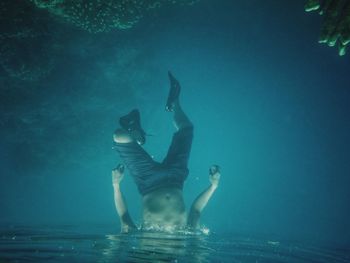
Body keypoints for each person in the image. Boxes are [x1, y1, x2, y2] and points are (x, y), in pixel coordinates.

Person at [111, 71, 221, 233]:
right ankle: (174, 102)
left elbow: (124, 216)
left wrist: (115, 184)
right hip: (176, 178)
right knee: (187, 128)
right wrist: (214, 186)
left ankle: (134, 129)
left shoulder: (140, 242)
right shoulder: (185, 241)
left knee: (119, 135)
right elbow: (196, 211)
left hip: (148, 182)